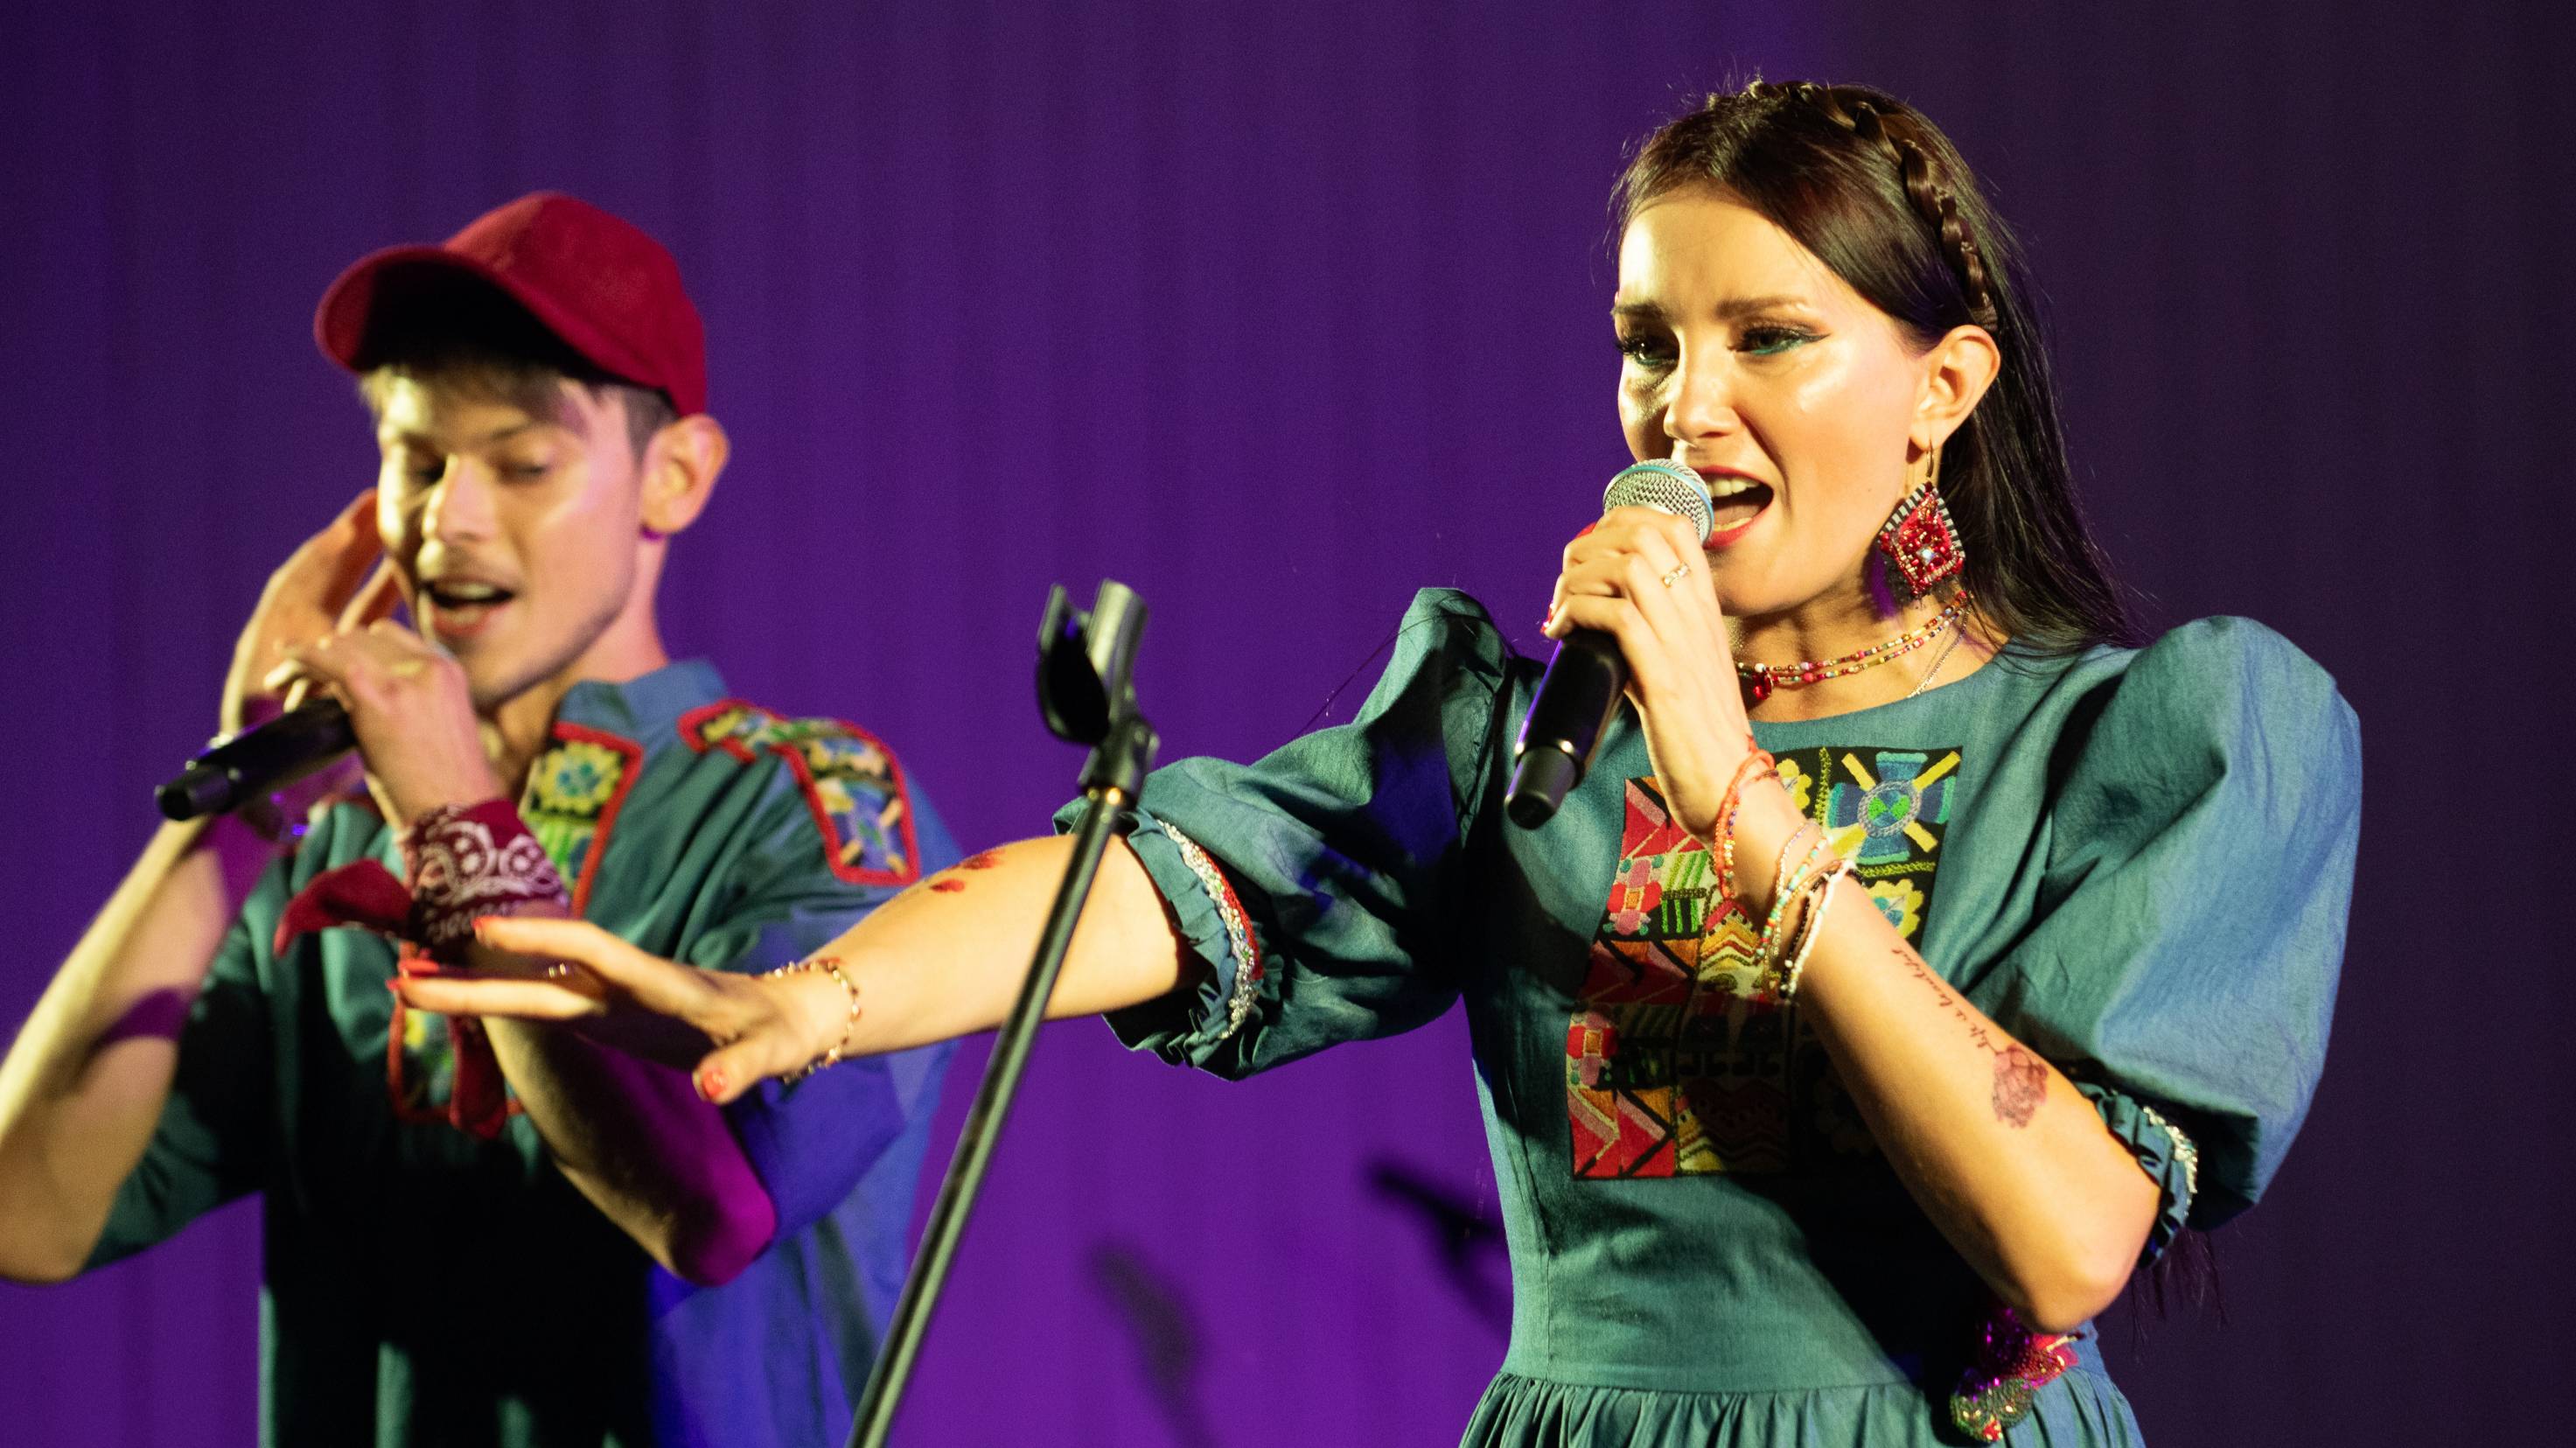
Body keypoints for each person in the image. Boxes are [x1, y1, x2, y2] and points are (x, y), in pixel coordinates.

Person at [404, 84, 2359, 1446]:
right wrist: (804, 995)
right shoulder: (1521, 741)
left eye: (1770, 339)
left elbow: (2073, 1236)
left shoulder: (2147, 741)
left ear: (1944, 386)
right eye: (1645, 345)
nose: (1688, 411)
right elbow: (1167, 878)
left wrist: (1735, 800)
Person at [0, 193, 956, 1447]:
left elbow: (711, 1214)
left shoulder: (803, 804)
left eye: (522, 463)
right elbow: (27, 1215)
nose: (444, 519)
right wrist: (240, 816)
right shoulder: (335, 832)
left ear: (672, 477)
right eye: (415, 457)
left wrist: (459, 824)